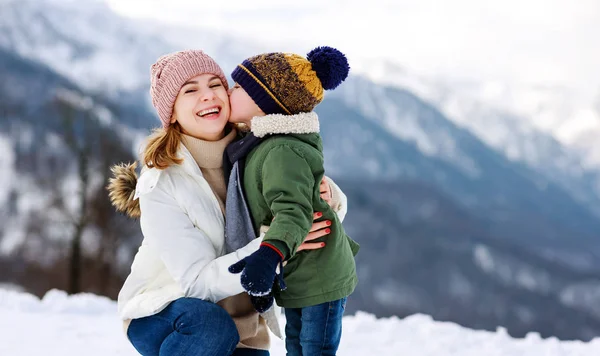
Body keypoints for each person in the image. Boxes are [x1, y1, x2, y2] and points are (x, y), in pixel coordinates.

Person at [107, 50, 349, 356]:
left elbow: (307, 205)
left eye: (215, 85)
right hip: (167, 312)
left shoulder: (259, 149)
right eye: (191, 90)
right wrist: (272, 248)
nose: (207, 96)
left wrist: (329, 196)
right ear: (172, 112)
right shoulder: (162, 183)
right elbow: (196, 283)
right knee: (210, 327)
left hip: (243, 331)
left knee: (222, 331)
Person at [225, 46, 359, 356]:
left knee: (314, 349)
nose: (229, 93)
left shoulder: (280, 151)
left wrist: (267, 257)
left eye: (238, 87)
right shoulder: (260, 144)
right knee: (298, 346)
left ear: (265, 102)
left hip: (319, 274)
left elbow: (294, 212)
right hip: (301, 274)